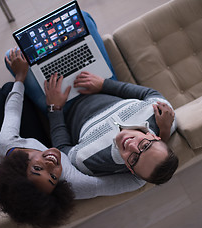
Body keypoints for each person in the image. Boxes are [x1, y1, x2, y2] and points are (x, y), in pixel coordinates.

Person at [0, 48, 145, 228]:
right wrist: (152, 147)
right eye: (52, 177)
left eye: (38, 169)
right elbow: (137, 181)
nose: (51, 164)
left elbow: (12, 115)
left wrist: (23, 78)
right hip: (33, 145)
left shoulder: (6, 146)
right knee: (10, 88)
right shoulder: (75, 183)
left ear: (20, 165)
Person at [10, 12, 179, 185]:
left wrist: (55, 109)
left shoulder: (92, 162)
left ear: (129, 170)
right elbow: (149, 94)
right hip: (99, 82)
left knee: (13, 57)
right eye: (144, 146)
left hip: (65, 106)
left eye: (134, 159)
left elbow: (63, 151)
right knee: (82, 17)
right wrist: (104, 84)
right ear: (157, 138)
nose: (131, 146)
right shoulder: (164, 120)